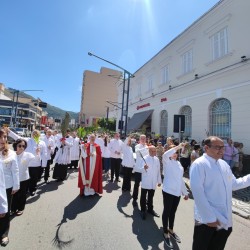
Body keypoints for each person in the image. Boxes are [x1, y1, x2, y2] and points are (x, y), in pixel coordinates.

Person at [190, 136, 250, 250]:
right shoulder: (199, 164)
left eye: (223, 147)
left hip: (224, 220)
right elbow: (198, 193)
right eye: (218, 147)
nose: (222, 150)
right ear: (206, 148)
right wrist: (209, 218)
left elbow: (234, 184)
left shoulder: (224, 164)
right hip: (206, 222)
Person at [162, 143, 189, 248]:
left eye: (176, 153)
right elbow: (165, 154)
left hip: (177, 193)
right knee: (167, 211)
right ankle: (165, 231)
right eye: (173, 152)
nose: (175, 154)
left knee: (173, 212)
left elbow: (180, 180)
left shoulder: (179, 165)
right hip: (168, 191)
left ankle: (171, 229)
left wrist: (185, 192)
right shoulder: (167, 161)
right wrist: (177, 147)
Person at [8, 129, 47, 196]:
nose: (35, 134)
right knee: (26, 178)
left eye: (37, 133)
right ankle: (25, 190)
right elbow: (17, 137)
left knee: (34, 179)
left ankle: (32, 189)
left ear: (39, 135)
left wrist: (43, 164)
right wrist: (9, 132)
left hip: (36, 164)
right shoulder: (28, 140)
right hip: (27, 163)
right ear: (32, 134)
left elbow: (44, 153)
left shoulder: (42, 143)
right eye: (34, 133)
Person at [0, 128, 19, 247]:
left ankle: (4, 234)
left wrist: (16, 185)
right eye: (1, 137)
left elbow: (15, 170)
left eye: (5, 137)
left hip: (6, 187)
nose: (3, 139)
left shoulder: (11, 153)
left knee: (5, 212)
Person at [11, 139, 40, 216]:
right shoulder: (11, 154)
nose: (21, 147)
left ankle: (20, 208)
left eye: (23, 146)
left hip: (24, 179)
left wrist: (37, 153)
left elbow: (36, 160)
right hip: (13, 179)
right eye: (19, 145)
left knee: (22, 195)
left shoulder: (28, 155)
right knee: (13, 195)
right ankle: (13, 209)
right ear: (15, 146)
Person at [140, 146, 161, 220]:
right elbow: (140, 170)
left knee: (151, 197)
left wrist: (159, 181)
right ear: (149, 151)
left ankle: (150, 209)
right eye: (152, 151)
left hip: (153, 181)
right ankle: (143, 210)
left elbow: (158, 171)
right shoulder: (145, 158)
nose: (154, 152)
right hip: (146, 181)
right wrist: (144, 168)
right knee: (143, 197)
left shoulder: (157, 159)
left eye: (155, 151)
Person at [132, 134, 148, 207]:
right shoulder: (137, 146)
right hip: (138, 168)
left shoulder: (147, 147)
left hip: (144, 168)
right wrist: (146, 149)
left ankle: (145, 199)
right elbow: (138, 153)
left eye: (144, 138)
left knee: (145, 185)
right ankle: (134, 198)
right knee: (136, 184)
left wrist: (147, 148)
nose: (143, 140)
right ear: (139, 139)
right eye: (142, 138)